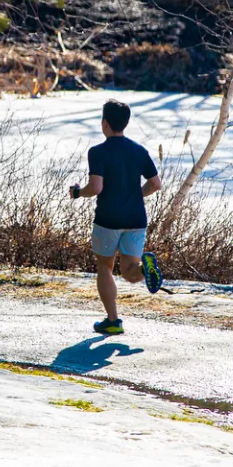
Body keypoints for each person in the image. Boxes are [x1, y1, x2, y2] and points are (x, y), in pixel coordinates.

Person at [68, 99, 165, 335]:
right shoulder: (139, 151)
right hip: (136, 219)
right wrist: (135, 195)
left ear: (104, 123)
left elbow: (96, 187)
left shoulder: (97, 152)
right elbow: (155, 184)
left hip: (108, 219)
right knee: (130, 271)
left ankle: (112, 321)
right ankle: (145, 269)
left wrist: (78, 193)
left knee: (105, 267)